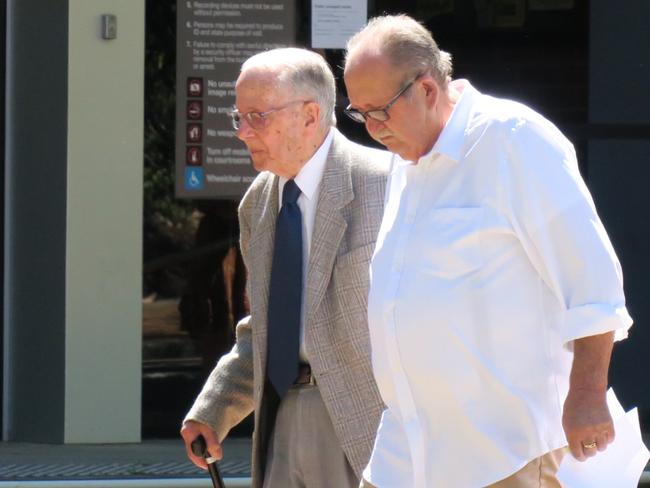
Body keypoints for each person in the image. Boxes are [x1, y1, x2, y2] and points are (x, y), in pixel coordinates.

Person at [343, 14, 633, 488]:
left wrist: (586, 391)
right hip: (407, 452)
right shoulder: (407, 156)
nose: (371, 128)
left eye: (380, 111)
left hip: (506, 455)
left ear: (428, 90)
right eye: (359, 113)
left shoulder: (513, 138)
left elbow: (593, 279)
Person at [181, 47, 390, 488]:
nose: (243, 132)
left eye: (257, 116)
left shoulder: (386, 185)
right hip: (281, 418)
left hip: (367, 425)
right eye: (239, 117)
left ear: (310, 115)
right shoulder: (258, 202)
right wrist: (214, 408)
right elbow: (267, 326)